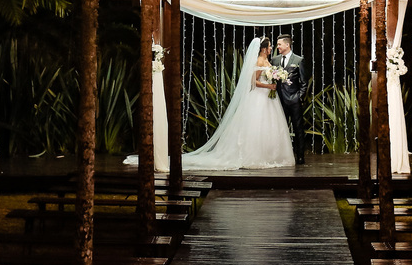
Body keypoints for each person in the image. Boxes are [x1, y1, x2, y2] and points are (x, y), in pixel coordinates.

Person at [127, 36, 293, 170]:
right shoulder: (258, 61)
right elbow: (253, 82)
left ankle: (271, 155)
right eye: (270, 46)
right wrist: (269, 85)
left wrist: (274, 80)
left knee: (270, 128)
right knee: (257, 127)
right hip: (259, 97)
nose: (271, 49)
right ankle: (256, 155)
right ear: (264, 48)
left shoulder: (268, 61)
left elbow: (270, 75)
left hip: (269, 99)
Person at [273, 34, 309, 165]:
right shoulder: (275, 60)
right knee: (280, 129)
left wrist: (299, 97)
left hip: (294, 101)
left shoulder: (298, 60)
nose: (277, 47)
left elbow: (304, 82)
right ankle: (280, 155)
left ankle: (300, 156)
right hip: (278, 101)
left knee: (298, 129)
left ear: (287, 45)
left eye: (279, 44)